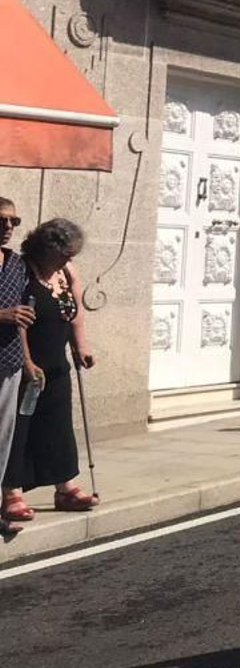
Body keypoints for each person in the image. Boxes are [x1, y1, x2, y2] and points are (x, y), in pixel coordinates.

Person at [2, 219, 97, 521]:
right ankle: (11, 491)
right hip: (27, 362)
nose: (69, 259)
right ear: (46, 249)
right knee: (21, 426)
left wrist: (80, 347)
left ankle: (65, 486)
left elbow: (75, 313)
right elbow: (20, 321)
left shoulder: (66, 273)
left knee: (58, 425)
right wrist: (27, 362)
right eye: (65, 253)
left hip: (57, 361)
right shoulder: (22, 270)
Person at [0, 199, 45, 534]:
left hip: (10, 363)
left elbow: (22, 320)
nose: (8, 226)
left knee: (2, 438)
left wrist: (28, 361)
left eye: (14, 220)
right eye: (2, 219)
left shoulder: (16, 264)